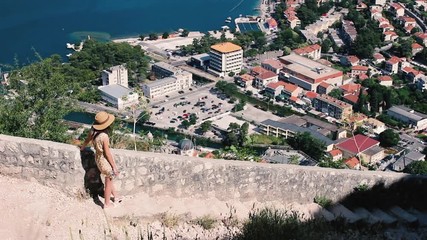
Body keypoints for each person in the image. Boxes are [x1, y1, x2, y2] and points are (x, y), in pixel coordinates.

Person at [80, 111, 120, 208]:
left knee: (109, 179)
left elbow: (87, 140)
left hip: (98, 160)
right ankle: (106, 204)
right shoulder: (104, 136)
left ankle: (117, 197)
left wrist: (82, 148)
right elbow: (107, 153)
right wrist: (114, 167)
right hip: (104, 161)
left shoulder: (93, 131)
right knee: (108, 181)